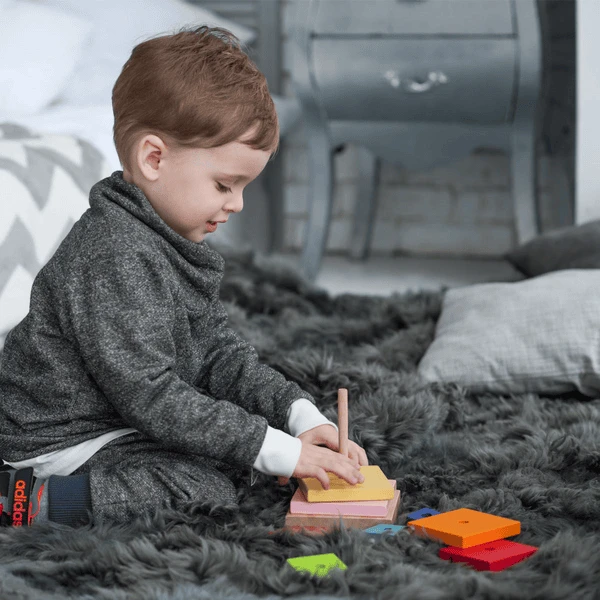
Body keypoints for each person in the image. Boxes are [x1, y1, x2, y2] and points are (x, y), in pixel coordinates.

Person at [0, 26, 368, 528]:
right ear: (154, 158)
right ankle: (31, 499)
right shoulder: (114, 255)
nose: (237, 204)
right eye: (224, 184)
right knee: (205, 484)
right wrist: (275, 450)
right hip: (61, 437)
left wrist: (297, 415)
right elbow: (150, 395)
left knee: (237, 456)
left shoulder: (166, 238)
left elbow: (215, 352)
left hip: (118, 418)